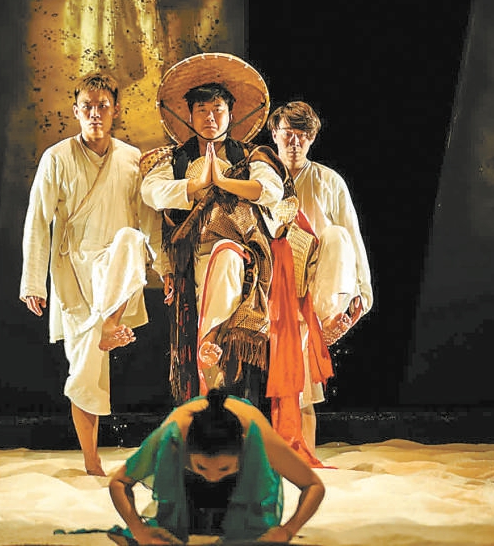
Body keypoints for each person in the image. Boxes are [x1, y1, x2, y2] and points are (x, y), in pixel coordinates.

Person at [20, 72, 158, 476]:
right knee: (85, 370)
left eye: (103, 106)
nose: (95, 113)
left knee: (131, 238)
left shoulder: (131, 158)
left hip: (116, 270)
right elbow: (37, 219)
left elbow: (148, 221)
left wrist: (165, 272)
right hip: (73, 271)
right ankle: (92, 461)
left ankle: (110, 324)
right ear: (76, 111)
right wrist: (33, 281)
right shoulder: (57, 157)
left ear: (115, 111)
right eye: (88, 107)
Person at [140, 53, 292, 409]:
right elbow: (152, 193)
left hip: (243, 254)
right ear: (190, 115)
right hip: (193, 257)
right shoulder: (175, 159)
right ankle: (209, 386)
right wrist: (195, 185)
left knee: (225, 257)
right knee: (208, 288)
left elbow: (270, 190)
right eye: (202, 110)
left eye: (218, 110)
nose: (210, 117)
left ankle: (211, 341)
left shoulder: (251, 155)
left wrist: (223, 181)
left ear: (231, 114)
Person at [268, 100, 374, 453]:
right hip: (274, 280)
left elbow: (352, 237)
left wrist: (362, 292)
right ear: (274, 134)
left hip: (317, 284)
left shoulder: (329, 181)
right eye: (288, 133)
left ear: (312, 138)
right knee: (293, 374)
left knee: (338, 235)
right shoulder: (261, 178)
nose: (295, 141)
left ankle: (327, 321)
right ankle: (292, 454)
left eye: (303, 134)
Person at [108, 388, 325, 544]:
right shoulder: (171, 435)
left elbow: (313, 486)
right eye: (202, 467)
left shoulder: (257, 436)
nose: (212, 477)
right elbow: (119, 482)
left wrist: (287, 531)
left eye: (223, 469)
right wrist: (139, 531)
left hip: (240, 485)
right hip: (189, 482)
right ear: (186, 449)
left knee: (248, 536)